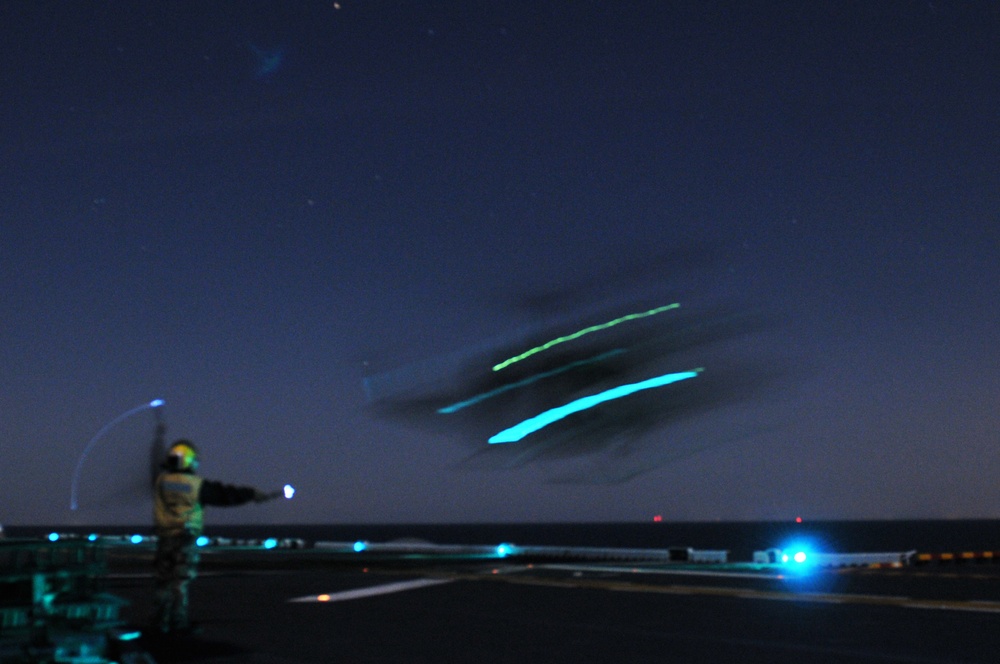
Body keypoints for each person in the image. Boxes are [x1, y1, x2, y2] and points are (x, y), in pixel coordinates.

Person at [152, 438, 281, 634]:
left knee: (163, 582)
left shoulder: (161, 481)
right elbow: (225, 495)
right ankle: (178, 624)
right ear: (188, 460)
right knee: (180, 583)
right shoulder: (195, 485)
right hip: (184, 539)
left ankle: (160, 623)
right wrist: (252, 494)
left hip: (164, 539)